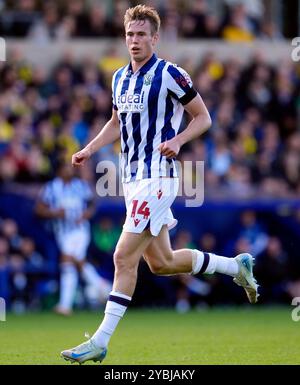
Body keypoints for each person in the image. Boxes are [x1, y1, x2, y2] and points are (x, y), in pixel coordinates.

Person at [61, 4, 259, 364]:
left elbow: (204, 117)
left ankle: (100, 340)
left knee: (123, 256)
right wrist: (89, 149)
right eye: (129, 35)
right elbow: (116, 121)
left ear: (155, 37)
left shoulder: (171, 74)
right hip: (131, 180)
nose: (134, 41)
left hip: (159, 177)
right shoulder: (118, 77)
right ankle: (236, 267)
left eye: (141, 35)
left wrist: (180, 140)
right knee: (163, 263)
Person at [35, 160, 111, 316]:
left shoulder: (80, 186)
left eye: (70, 168)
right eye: (66, 167)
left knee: (67, 259)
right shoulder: (51, 188)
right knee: (74, 261)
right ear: (59, 170)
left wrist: (86, 215)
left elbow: (92, 205)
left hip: (80, 230)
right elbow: (39, 210)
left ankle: (65, 305)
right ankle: (102, 287)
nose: (70, 170)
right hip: (62, 233)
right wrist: (55, 213)